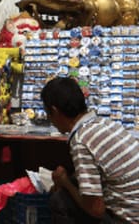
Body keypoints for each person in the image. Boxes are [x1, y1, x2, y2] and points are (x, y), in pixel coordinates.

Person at [41, 76, 139, 223]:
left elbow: (96, 210)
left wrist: (64, 181)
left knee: (59, 200)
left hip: (128, 219)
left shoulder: (81, 140)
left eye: (48, 113)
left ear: (55, 111)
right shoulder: (104, 123)